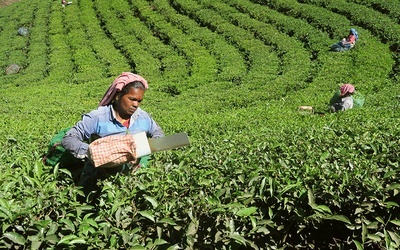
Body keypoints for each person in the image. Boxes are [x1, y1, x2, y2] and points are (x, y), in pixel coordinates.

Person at [62, 72, 164, 202]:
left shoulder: (143, 117)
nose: (136, 105)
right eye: (132, 99)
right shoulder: (98, 117)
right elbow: (69, 138)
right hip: (97, 179)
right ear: (117, 96)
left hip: (131, 180)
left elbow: (158, 134)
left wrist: (144, 147)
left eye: (139, 101)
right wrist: (91, 151)